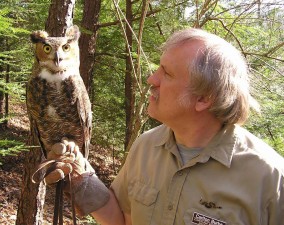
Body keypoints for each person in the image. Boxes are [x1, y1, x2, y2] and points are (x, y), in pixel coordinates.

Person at [42, 28, 284, 225]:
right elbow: (123, 220)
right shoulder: (146, 146)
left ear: (203, 98)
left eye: (166, 74)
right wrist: (82, 177)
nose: (152, 79)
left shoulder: (270, 178)